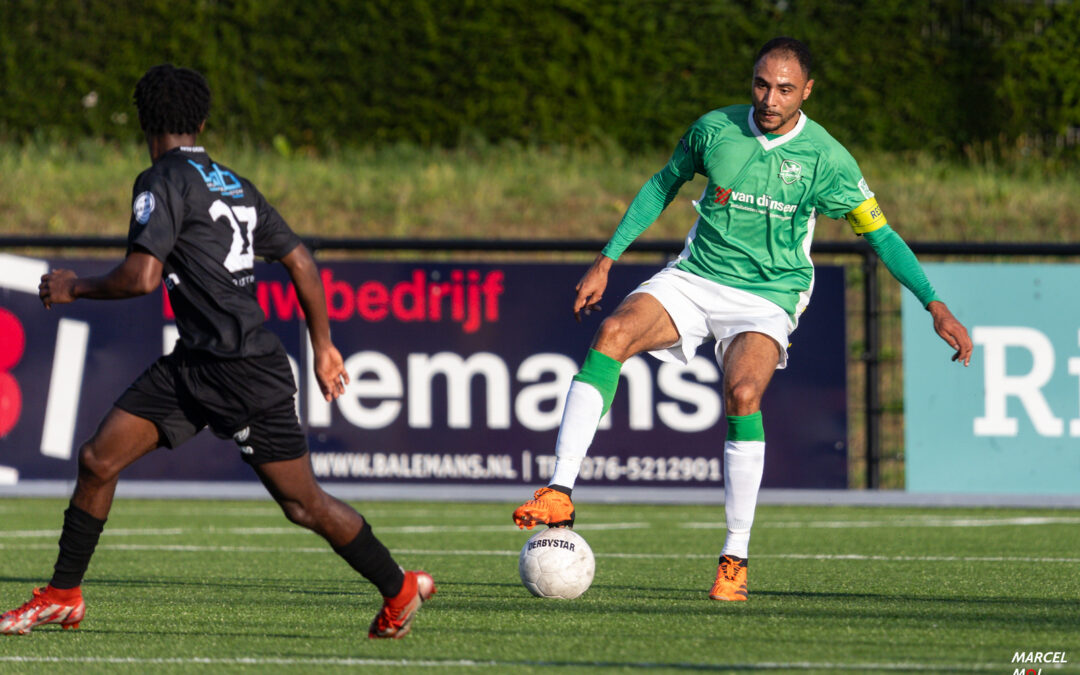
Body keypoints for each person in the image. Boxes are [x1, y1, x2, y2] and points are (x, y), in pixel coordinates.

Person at [511, 37, 973, 601]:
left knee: (745, 394)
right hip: (697, 276)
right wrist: (607, 259)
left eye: (784, 88)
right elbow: (663, 184)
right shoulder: (715, 130)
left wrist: (934, 302)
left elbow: (881, 233)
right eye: (761, 84)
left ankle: (735, 556)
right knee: (612, 333)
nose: (770, 98)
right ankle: (559, 490)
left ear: (806, 91)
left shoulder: (829, 160)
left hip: (768, 295)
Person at [0, 65, 434, 638]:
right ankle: (63, 595)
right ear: (201, 121)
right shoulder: (233, 182)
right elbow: (300, 258)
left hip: (245, 372)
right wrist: (323, 346)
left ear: (145, 122)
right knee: (98, 460)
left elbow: (141, 277)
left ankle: (399, 588)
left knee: (304, 505)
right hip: (195, 365)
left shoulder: (160, 181)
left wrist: (72, 286)